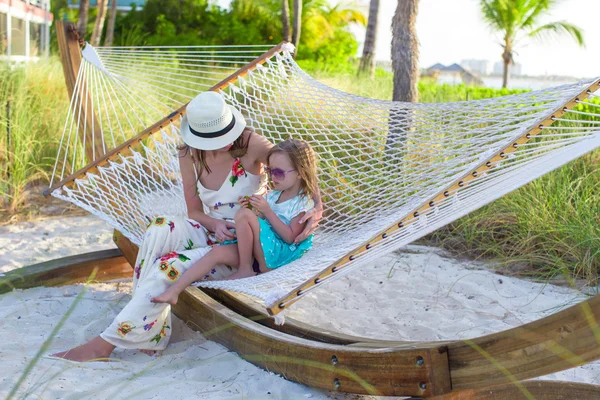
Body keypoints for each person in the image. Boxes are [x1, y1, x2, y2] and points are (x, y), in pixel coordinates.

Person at [50, 91, 322, 362]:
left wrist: (317, 205)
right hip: (213, 229)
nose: (224, 142)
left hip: (248, 240)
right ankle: (149, 329)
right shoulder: (188, 154)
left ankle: (104, 345)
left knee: (167, 266)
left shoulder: (252, 144)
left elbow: (297, 166)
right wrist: (214, 224)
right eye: (215, 138)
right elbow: (194, 211)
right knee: (158, 228)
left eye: (225, 134)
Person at [150, 139, 318, 306]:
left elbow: (290, 238)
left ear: (299, 172)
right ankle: (174, 291)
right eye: (269, 171)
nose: (273, 177)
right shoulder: (274, 194)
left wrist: (262, 212)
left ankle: (245, 270)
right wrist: (254, 211)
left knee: (243, 214)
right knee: (216, 253)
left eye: (279, 173)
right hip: (257, 252)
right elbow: (264, 224)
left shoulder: (302, 204)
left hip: (274, 259)